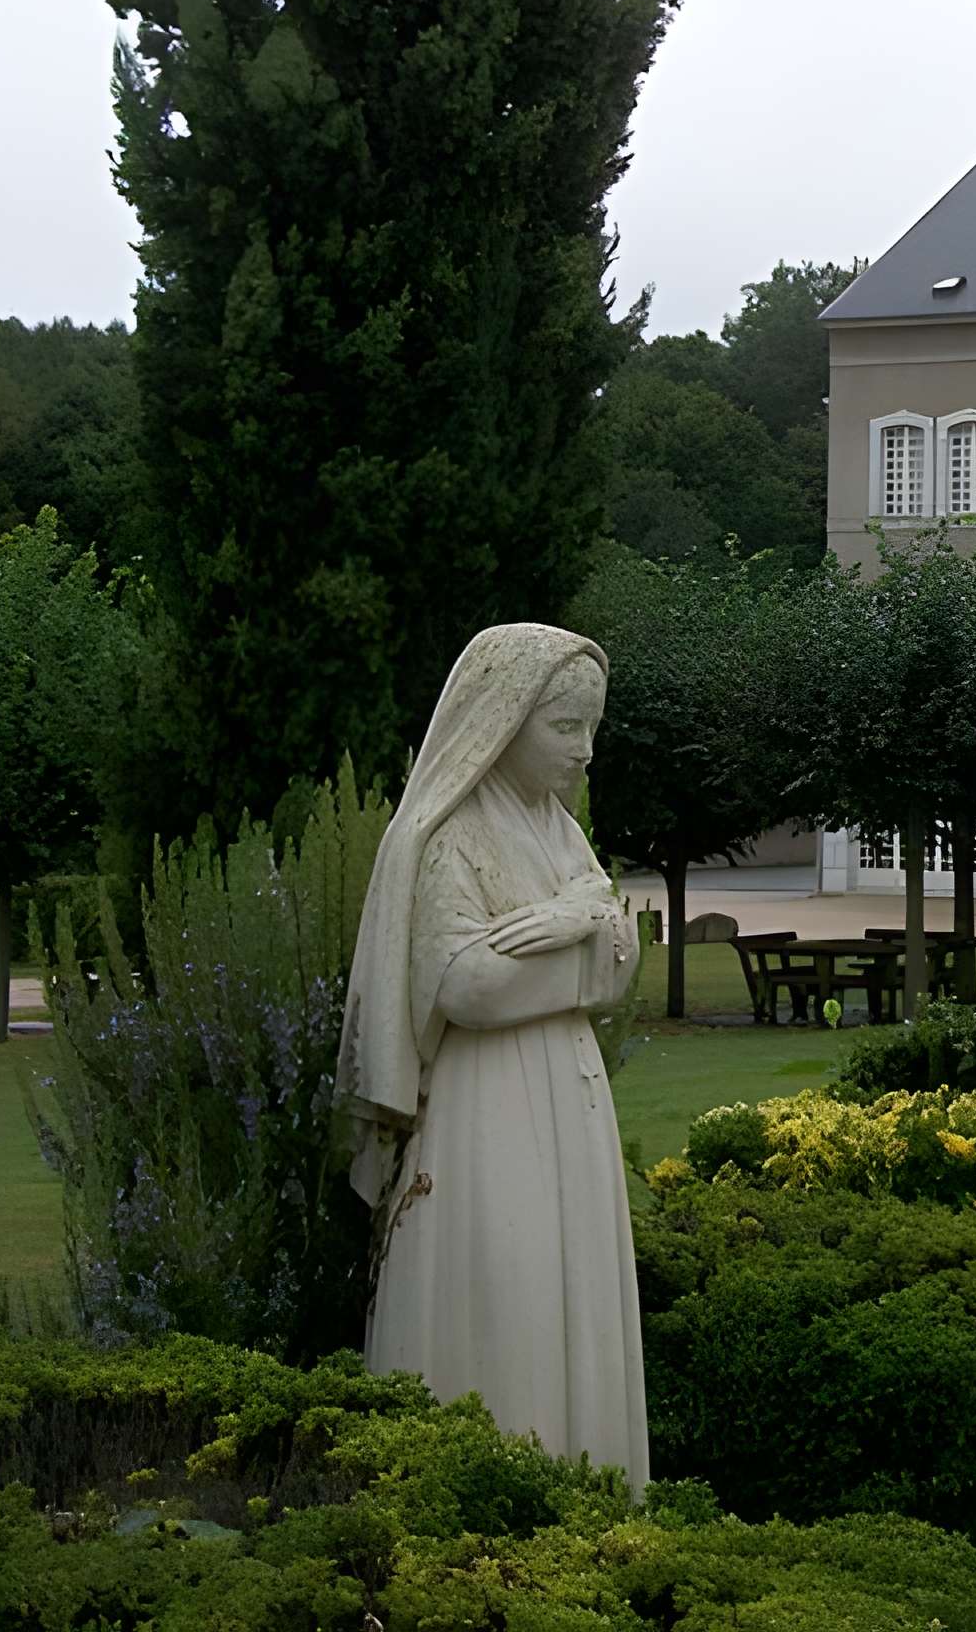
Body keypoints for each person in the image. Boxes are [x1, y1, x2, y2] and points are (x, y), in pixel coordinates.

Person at [338, 622, 647, 1482]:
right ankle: (490, 1491)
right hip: (489, 1108)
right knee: (509, 1288)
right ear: (503, 721)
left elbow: (624, 953)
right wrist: (585, 949)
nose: (584, 750)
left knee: (571, 1282)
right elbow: (465, 983)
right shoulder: (451, 836)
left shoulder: (559, 830)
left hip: (569, 1099)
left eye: (591, 728)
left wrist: (582, 933)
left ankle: (585, 1488)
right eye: (565, 726)